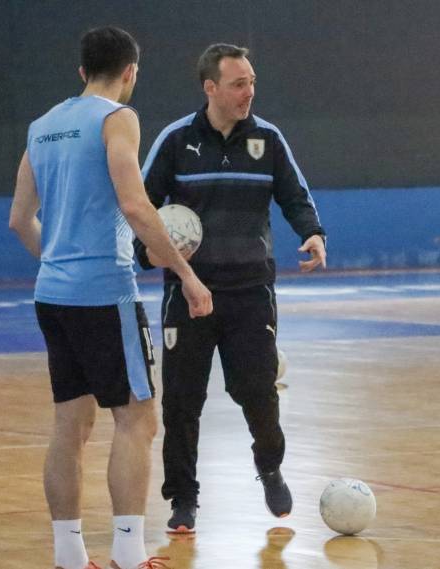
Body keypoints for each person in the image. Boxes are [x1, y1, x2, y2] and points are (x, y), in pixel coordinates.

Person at [8, 26, 213, 569]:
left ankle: (70, 557)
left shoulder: (41, 127)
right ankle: (128, 552)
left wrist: (58, 264)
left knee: (69, 426)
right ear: (130, 72)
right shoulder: (117, 118)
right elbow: (136, 205)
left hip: (52, 296)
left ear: (82, 71)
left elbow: (19, 220)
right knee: (137, 420)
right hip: (105, 293)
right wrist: (187, 274)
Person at [134, 43, 327, 533]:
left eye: (252, 82)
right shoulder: (176, 141)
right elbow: (139, 206)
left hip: (250, 290)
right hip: (189, 293)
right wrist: (144, 253)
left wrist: (312, 232)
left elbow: (295, 195)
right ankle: (183, 498)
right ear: (211, 88)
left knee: (257, 390)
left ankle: (269, 466)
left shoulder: (268, 139)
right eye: (239, 84)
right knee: (182, 401)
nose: (249, 92)